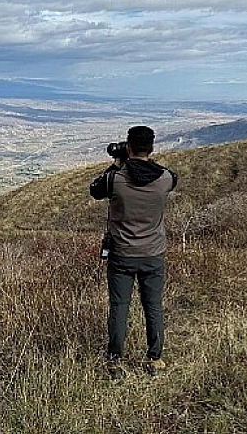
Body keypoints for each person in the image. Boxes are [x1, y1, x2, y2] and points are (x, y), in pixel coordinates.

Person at [89, 125, 178, 377]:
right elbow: (170, 174)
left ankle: (115, 361)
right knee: (153, 306)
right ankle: (155, 359)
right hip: (153, 254)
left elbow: (95, 191)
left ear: (128, 146)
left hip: (122, 255)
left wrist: (118, 163)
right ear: (151, 147)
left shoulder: (115, 179)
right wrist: (143, 159)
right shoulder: (164, 179)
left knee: (119, 306)